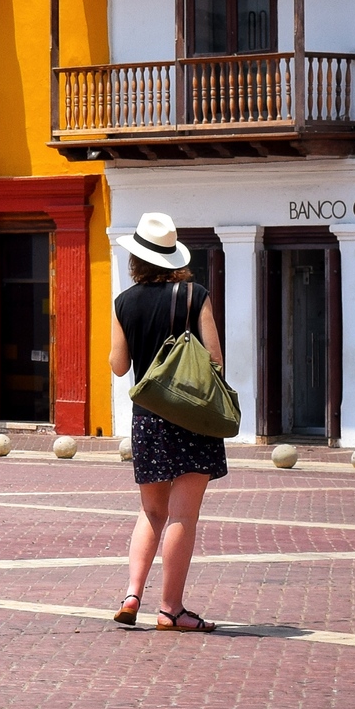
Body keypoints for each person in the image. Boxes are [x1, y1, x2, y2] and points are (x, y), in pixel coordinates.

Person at [112, 212, 229, 633]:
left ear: (137, 259)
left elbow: (118, 364)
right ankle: (170, 609)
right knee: (183, 516)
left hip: (147, 418)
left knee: (151, 510)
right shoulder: (194, 295)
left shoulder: (124, 302)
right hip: (192, 415)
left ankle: (131, 593)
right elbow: (214, 358)